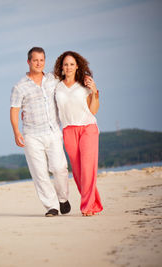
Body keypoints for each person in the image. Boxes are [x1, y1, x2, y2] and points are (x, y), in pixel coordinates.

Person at [10, 47, 70, 217]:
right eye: (35, 60)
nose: (39, 63)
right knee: (39, 172)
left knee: (59, 168)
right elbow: (14, 110)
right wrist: (16, 131)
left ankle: (63, 199)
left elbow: (69, 80)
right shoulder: (19, 86)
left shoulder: (53, 79)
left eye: (42, 60)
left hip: (53, 131)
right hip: (31, 135)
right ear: (29, 62)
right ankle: (51, 206)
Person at [53, 51, 103, 216]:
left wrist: (94, 92)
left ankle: (87, 207)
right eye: (66, 64)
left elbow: (93, 110)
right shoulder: (56, 86)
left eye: (72, 64)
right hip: (68, 130)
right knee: (78, 172)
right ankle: (94, 203)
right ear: (61, 67)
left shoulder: (85, 84)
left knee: (88, 168)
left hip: (87, 127)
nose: (68, 67)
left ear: (77, 66)